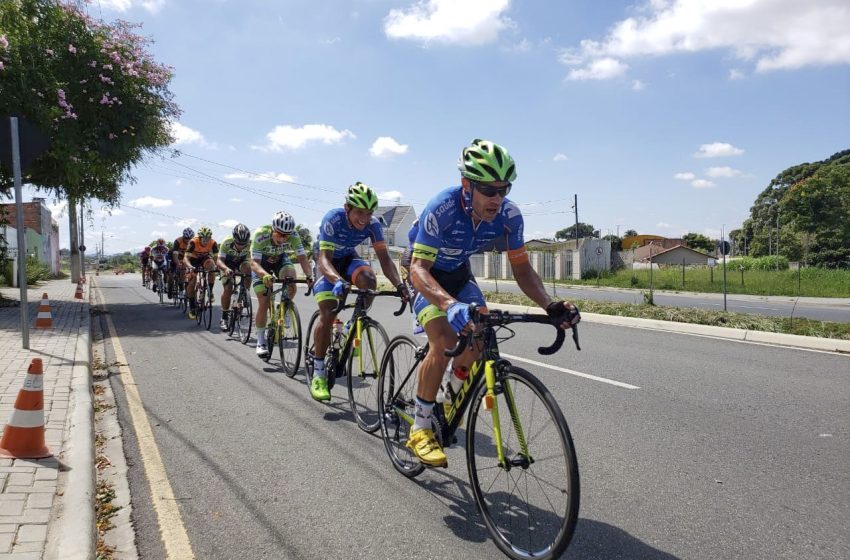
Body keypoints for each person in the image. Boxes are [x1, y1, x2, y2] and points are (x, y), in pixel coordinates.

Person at [407, 139, 580, 467]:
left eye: (504, 189)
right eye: (489, 190)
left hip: (459, 272)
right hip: (423, 272)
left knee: (481, 334)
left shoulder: (509, 217)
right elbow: (418, 269)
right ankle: (419, 427)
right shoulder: (441, 208)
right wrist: (448, 305)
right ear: (466, 186)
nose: (497, 199)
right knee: (443, 339)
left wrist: (549, 304)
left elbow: (522, 269)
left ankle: (448, 392)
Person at [310, 182, 409, 402]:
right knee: (328, 313)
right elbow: (324, 259)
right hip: (327, 262)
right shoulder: (333, 219)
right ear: (347, 208)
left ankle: (350, 326)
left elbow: (384, 259)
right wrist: (336, 280)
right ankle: (318, 373)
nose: (364, 219)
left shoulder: (373, 225)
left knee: (369, 280)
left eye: (369, 213)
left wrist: (400, 285)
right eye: (359, 213)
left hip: (347, 258)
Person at [249, 211, 314, 358]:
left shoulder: (294, 236)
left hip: (280, 260)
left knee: (292, 282)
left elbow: (303, 258)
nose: (283, 238)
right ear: (272, 229)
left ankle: (284, 309)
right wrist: (264, 275)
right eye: (280, 234)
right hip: (261, 265)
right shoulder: (261, 234)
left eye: (287, 235)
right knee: (264, 301)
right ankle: (261, 340)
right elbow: (254, 263)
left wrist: (310, 276)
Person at [216, 223, 253, 331]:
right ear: (234, 239)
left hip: (241, 262)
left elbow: (253, 261)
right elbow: (219, 261)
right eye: (238, 243)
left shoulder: (250, 244)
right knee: (228, 288)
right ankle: (224, 318)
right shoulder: (226, 242)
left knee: (248, 269)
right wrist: (226, 269)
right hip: (226, 264)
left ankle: (244, 293)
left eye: (244, 244)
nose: (241, 246)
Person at [183, 226, 219, 320]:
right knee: (192, 281)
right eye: (204, 239)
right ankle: (191, 307)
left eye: (208, 238)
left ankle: (210, 291)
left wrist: (216, 267)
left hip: (204, 259)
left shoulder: (213, 243)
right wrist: (190, 267)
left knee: (212, 267)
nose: (206, 241)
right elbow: (186, 258)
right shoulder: (193, 242)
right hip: (193, 260)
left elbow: (215, 258)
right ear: (199, 237)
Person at [171, 228, 194, 297]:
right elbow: (175, 256)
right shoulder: (178, 241)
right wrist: (178, 263)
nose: (188, 240)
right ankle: (180, 289)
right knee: (181, 271)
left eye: (190, 238)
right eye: (186, 238)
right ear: (183, 236)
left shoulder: (193, 242)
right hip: (178, 257)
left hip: (187, 257)